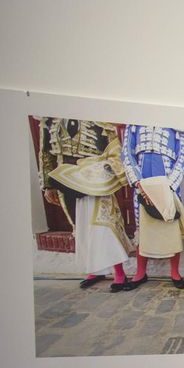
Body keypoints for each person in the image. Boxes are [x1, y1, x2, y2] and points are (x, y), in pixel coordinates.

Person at [37, 117, 133, 290]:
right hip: (66, 180)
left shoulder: (98, 118)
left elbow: (115, 151)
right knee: (81, 227)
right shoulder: (49, 121)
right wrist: (47, 185)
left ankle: (119, 272)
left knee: (105, 226)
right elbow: (46, 154)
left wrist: (109, 173)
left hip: (96, 180)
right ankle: (95, 270)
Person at [121, 124, 184, 289]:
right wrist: (138, 182)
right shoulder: (135, 123)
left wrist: (169, 186)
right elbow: (127, 154)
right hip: (142, 182)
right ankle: (140, 273)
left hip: (167, 182)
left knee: (171, 225)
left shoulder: (176, 124)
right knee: (143, 227)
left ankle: (175, 272)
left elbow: (182, 158)